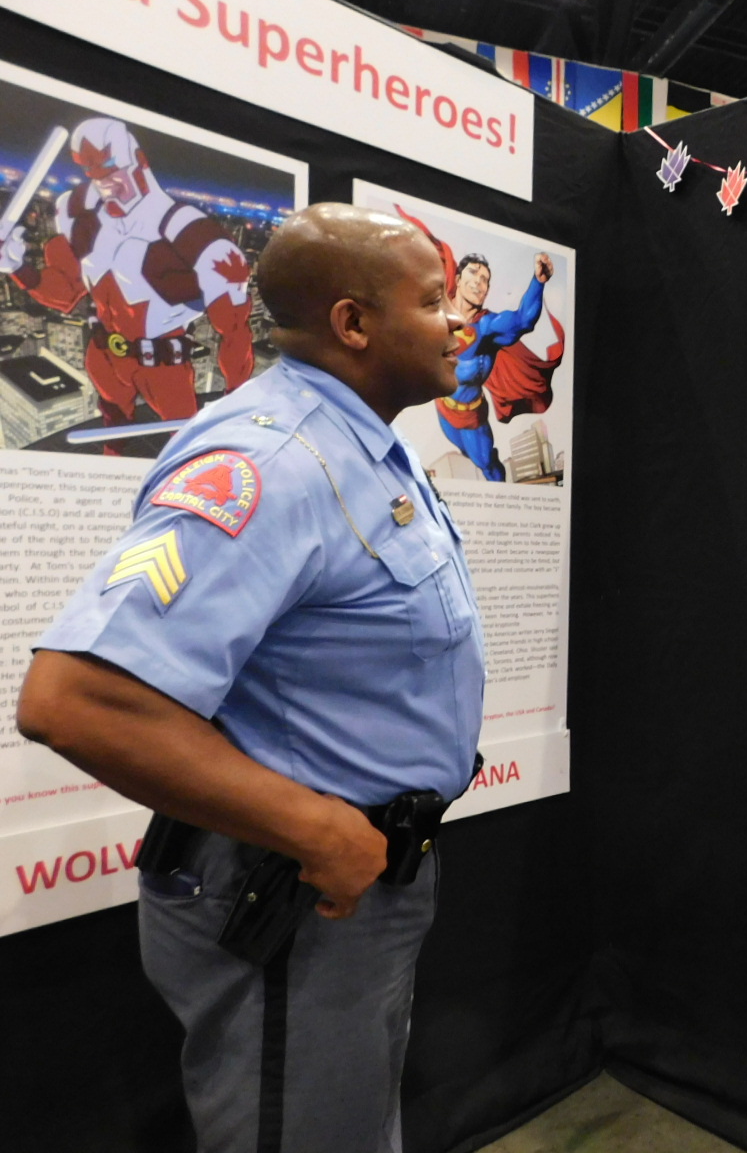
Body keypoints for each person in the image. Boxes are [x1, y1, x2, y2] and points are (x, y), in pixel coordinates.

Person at [16, 203, 485, 1153]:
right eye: (435, 301)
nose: (458, 321)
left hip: (362, 886)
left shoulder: (362, 444)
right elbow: (75, 702)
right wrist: (316, 830)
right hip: (296, 894)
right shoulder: (272, 459)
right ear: (354, 323)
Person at [0, 118, 256, 451]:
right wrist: (19, 267)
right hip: (104, 355)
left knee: (189, 448)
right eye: (91, 171)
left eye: (111, 168)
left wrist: (234, 398)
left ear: (138, 161)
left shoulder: (191, 233)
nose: (104, 182)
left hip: (163, 367)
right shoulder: (79, 213)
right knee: (114, 434)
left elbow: (234, 328)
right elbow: (65, 292)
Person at [434, 247, 555, 481]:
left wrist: (538, 282)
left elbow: (523, 320)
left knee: (487, 465)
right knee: (463, 455)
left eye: (485, 280)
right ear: (457, 279)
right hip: (443, 409)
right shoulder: (438, 314)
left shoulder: (487, 326)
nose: (479, 283)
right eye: (474, 273)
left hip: (471, 418)